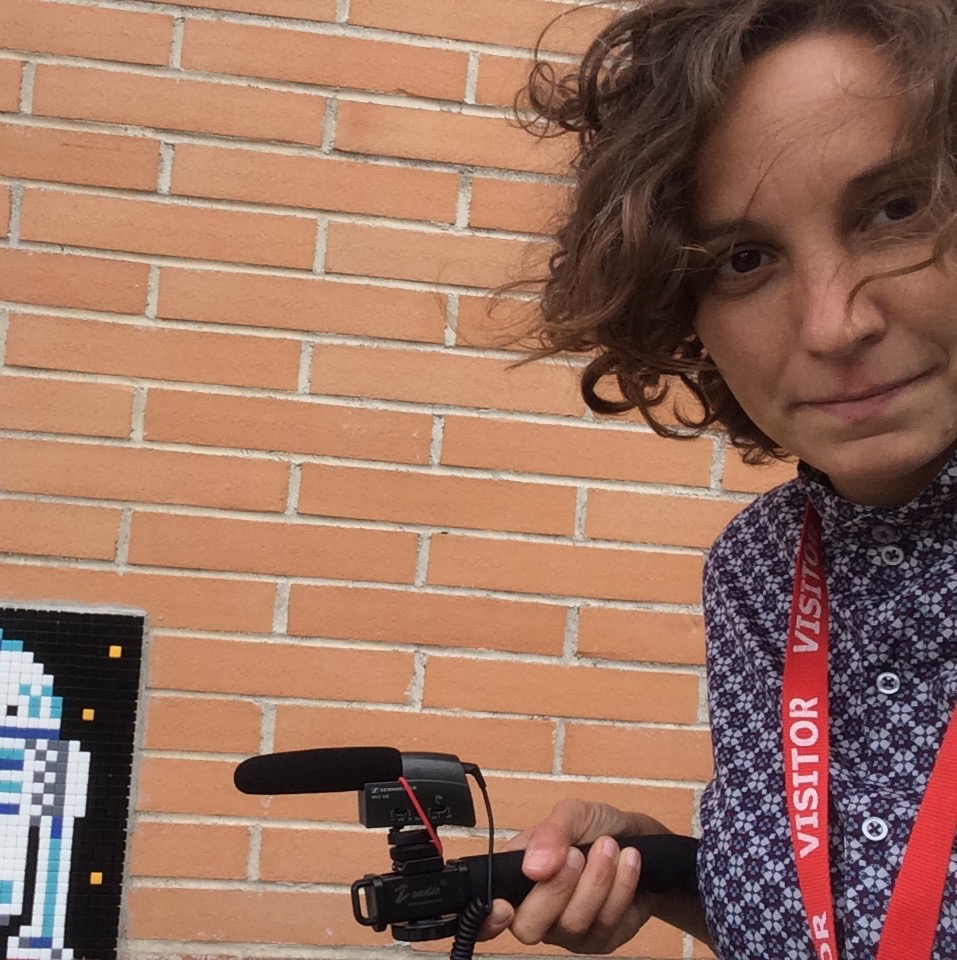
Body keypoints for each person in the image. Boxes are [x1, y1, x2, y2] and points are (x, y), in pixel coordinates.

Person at [479, 1, 957, 957]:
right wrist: (669, 872)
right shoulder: (759, 570)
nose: (832, 324)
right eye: (744, 260)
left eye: (895, 210)